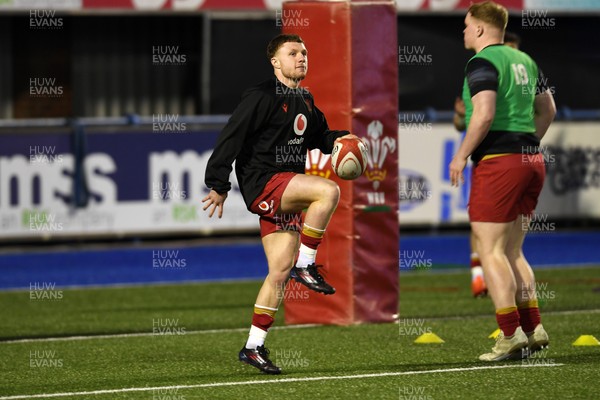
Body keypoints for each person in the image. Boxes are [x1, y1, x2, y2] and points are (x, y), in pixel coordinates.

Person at [202, 34, 356, 374]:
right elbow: (232, 135)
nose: (301, 57)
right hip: (264, 182)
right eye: (293, 52)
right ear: (276, 62)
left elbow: (319, 137)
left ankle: (253, 347)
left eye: (304, 51)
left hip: (284, 188)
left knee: (278, 272)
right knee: (328, 192)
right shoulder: (261, 95)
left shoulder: (304, 98)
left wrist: (341, 138)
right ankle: (308, 262)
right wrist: (218, 183)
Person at [449, 1, 556, 361]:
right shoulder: (526, 60)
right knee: (513, 250)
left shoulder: (482, 61)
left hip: (499, 164)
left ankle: (509, 334)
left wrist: (461, 155)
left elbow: (483, 115)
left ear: (480, 28)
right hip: (531, 162)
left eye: (466, 25)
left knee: (491, 250)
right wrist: (527, 146)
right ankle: (534, 327)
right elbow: (549, 110)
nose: (463, 31)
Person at [453, 31, 521, 298]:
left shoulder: (511, 73)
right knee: (484, 225)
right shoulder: (479, 72)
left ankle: (511, 316)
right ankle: (480, 276)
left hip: (504, 159)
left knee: (502, 237)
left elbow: (486, 117)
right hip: (493, 159)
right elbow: (465, 122)